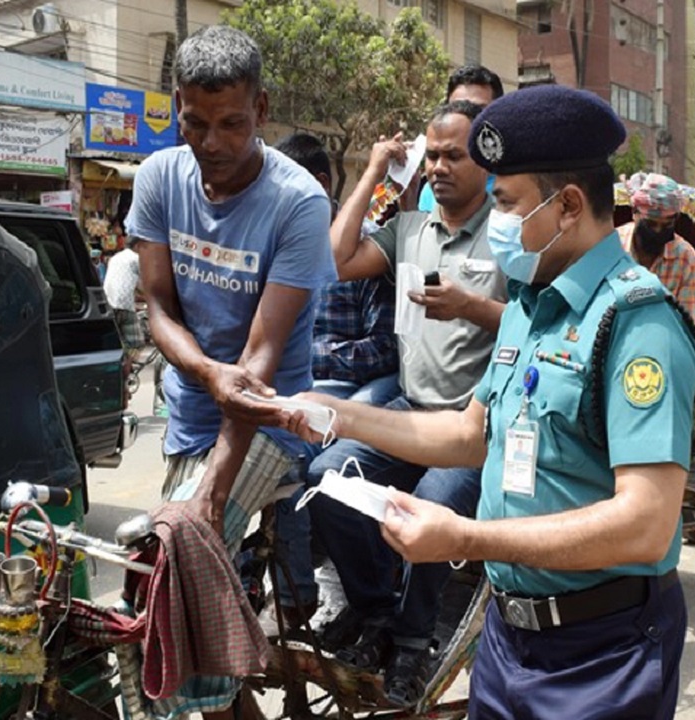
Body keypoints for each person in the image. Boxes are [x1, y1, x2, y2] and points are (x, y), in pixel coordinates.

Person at [284, 84, 695, 719]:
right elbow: (467, 434)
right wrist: (331, 413)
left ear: (566, 206)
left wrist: (467, 536)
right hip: (508, 641)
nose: (498, 223)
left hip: (601, 651)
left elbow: (646, 524)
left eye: (507, 204)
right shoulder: (531, 307)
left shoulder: (637, 324)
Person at [125, 25, 335, 719]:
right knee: (151, 578)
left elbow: (259, 361)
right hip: (194, 409)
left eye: (232, 124)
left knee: (181, 558)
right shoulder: (158, 177)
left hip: (273, 417)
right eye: (195, 122)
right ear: (176, 106)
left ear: (262, 109)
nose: (212, 142)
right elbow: (156, 307)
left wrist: (211, 493)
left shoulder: (298, 202)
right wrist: (205, 376)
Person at [311, 99, 507, 707]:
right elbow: (334, 261)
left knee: (428, 512)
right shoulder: (409, 229)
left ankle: (414, 641)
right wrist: (372, 171)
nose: (441, 166)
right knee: (324, 480)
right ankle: (375, 616)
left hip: (471, 425)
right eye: (433, 155)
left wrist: (472, 306)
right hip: (407, 410)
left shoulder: (508, 234)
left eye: (454, 155)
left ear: (483, 162)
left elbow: (537, 323)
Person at [268, 131, 401, 629]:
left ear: (319, 185)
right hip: (302, 385)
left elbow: (385, 349)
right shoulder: (280, 246)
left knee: (304, 463)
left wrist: (309, 358)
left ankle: (300, 597)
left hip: (350, 389)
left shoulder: (366, 251)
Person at [416, 65, 504, 212]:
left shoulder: (519, 183)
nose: (467, 118)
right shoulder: (432, 190)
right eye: (457, 108)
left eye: (479, 111)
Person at [618, 173, 695, 326]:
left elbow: (688, 327)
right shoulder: (613, 246)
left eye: (666, 226)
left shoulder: (685, 258)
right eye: (650, 225)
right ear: (634, 213)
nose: (657, 232)